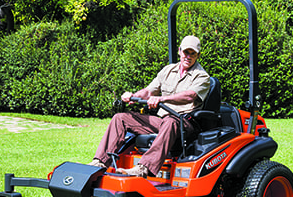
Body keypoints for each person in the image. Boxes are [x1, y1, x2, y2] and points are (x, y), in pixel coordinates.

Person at [90, 35, 211, 178]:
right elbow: (148, 91)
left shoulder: (202, 77)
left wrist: (161, 99)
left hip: (185, 123)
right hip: (163, 121)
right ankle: (100, 162)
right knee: (120, 118)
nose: (188, 56)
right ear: (179, 51)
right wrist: (133, 96)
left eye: (192, 53)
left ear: (198, 55)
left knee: (171, 121)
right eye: (186, 52)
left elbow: (190, 96)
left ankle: (143, 168)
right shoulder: (167, 70)